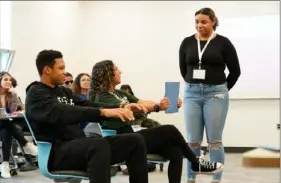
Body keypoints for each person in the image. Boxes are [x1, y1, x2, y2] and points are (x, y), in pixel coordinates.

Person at [88, 60, 224, 183]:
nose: (120, 71)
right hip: (121, 139)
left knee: (175, 152)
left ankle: (194, 163)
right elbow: (135, 107)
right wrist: (158, 107)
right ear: (108, 75)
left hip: (135, 134)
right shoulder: (102, 97)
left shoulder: (120, 93)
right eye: (116, 69)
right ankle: (195, 162)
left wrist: (161, 104)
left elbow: (141, 102)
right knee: (169, 129)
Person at [25, 49, 149, 183]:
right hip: (56, 153)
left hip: (80, 147)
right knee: (98, 144)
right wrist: (102, 112)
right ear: (47, 70)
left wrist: (120, 107)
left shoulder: (64, 91)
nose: (64, 72)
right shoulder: (36, 93)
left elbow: (87, 104)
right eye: (61, 68)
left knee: (135, 141)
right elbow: (61, 112)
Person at [179, 8, 241, 183]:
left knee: (214, 141)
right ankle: (191, 178)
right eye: (197, 21)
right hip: (192, 94)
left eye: (204, 22)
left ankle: (216, 179)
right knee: (192, 141)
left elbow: (235, 71)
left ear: (213, 21)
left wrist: (222, 89)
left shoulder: (223, 43)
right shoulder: (187, 42)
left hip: (216, 94)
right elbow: (183, 69)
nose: (200, 25)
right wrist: (193, 84)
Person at [0, 72, 37, 178]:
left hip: (3, 126)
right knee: (7, 125)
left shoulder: (10, 94)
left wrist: (14, 94)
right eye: (5, 79)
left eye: (10, 80)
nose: (9, 81)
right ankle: (26, 144)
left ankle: (5, 165)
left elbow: (14, 110)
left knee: (6, 128)